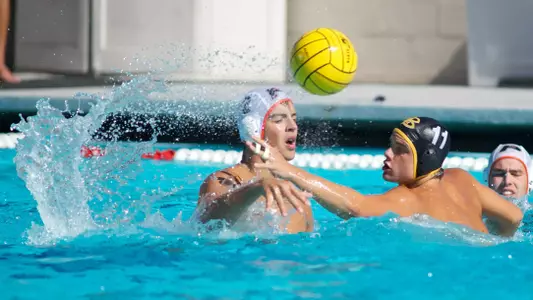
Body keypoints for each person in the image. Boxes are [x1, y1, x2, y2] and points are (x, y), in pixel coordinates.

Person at [249, 116, 524, 237]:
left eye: (400, 149)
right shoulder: (461, 178)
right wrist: (490, 241)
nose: (388, 154)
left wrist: (286, 170)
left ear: (424, 157)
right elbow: (514, 217)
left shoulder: (407, 199)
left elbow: (354, 206)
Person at [191, 87, 314, 233]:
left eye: (294, 119)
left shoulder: (298, 198)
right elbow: (210, 220)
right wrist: (257, 187)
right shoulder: (224, 180)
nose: (293, 126)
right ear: (252, 128)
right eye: (279, 120)